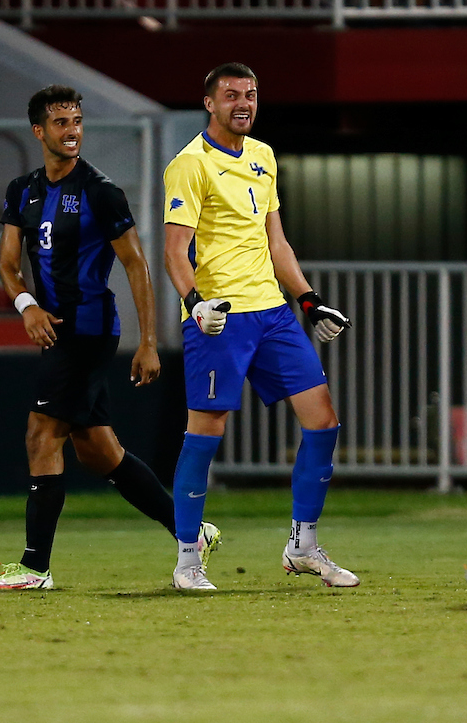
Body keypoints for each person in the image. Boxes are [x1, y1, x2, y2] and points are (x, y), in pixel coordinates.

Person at [0, 85, 218, 590]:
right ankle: (191, 532)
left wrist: (149, 340)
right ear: (39, 131)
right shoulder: (24, 189)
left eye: (78, 121)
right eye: (61, 123)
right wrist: (27, 304)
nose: (73, 131)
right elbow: (6, 262)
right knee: (97, 451)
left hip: (86, 330)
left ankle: (34, 567)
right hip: (55, 328)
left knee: (40, 434)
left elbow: (136, 264)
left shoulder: (100, 190)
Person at [163, 62, 355, 591]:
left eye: (250, 94)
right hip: (219, 318)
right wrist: (195, 303)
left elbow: (276, 243)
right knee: (205, 434)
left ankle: (303, 546)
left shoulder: (264, 156)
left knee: (323, 420)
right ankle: (187, 560)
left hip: (272, 312)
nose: (242, 103)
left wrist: (309, 301)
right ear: (210, 103)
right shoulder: (190, 164)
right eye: (230, 96)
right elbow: (174, 250)